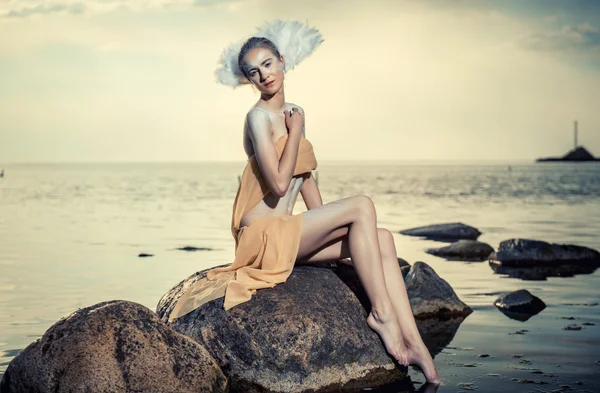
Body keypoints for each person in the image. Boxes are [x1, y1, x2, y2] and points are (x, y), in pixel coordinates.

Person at [171, 21, 441, 385]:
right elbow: (280, 184)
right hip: (264, 236)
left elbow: (306, 177)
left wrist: (338, 226)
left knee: (384, 239)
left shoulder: (293, 111)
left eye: (268, 63)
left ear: (282, 61)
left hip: (288, 233)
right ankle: (381, 314)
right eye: (254, 71)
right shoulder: (258, 118)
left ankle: (416, 345)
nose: (263, 75)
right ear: (248, 80)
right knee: (362, 204)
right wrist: (297, 130)